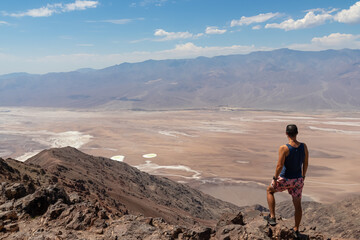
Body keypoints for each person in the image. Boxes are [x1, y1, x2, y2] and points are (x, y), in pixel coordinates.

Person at [265, 124, 309, 238]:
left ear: (286, 133)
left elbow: (279, 165)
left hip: (285, 179)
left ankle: (272, 217)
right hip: (298, 180)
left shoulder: (284, 148)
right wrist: (303, 177)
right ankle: (296, 229)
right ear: (297, 133)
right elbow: (306, 163)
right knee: (297, 205)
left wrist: (275, 178)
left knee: (269, 190)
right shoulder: (304, 146)